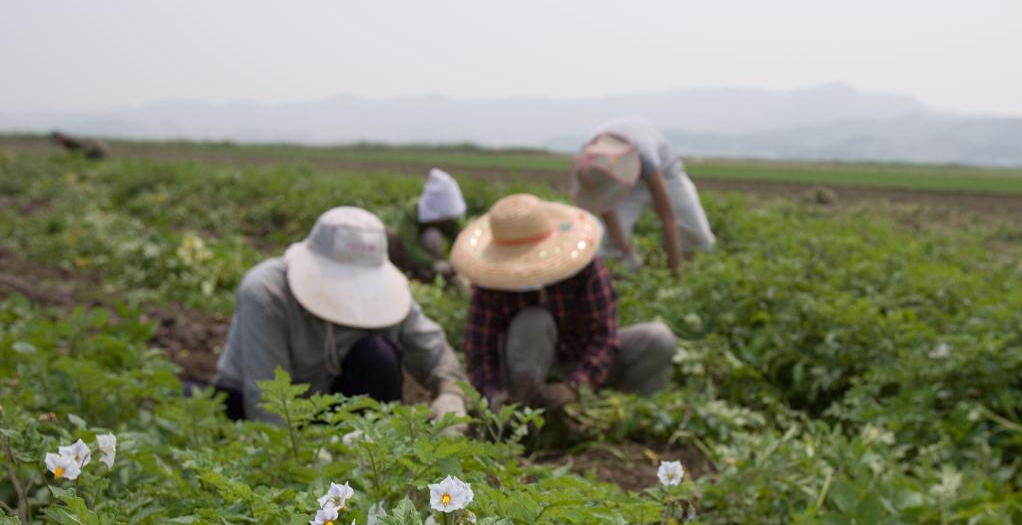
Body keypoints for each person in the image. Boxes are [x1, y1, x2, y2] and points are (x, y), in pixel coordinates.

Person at [212, 206, 467, 427]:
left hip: (328, 400)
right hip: (248, 406)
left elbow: (430, 347)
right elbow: (265, 400)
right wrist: (293, 467)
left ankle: (369, 456)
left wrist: (451, 393)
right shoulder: (268, 291)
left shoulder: (386, 296)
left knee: (378, 356)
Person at [449, 193, 676, 411]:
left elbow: (604, 335)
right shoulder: (491, 283)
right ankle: (526, 408)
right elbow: (479, 349)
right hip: (521, 369)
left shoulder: (585, 269)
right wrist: (494, 397)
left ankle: (627, 413)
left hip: (580, 363)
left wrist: (575, 386)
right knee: (534, 320)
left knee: (658, 339)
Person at [569, 116, 715, 277]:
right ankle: (616, 280)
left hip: (667, 175)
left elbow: (668, 217)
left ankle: (687, 270)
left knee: (698, 236)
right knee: (610, 246)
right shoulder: (589, 162)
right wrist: (627, 253)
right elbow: (606, 206)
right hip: (616, 175)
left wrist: (674, 273)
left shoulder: (645, 155)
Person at [386, 168, 467, 284]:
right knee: (432, 237)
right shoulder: (412, 213)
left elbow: (460, 239)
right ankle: (420, 273)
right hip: (410, 256)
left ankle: (434, 274)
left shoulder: (449, 220)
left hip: (432, 256)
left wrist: (458, 262)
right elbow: (409, 246)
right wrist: (433, 263)